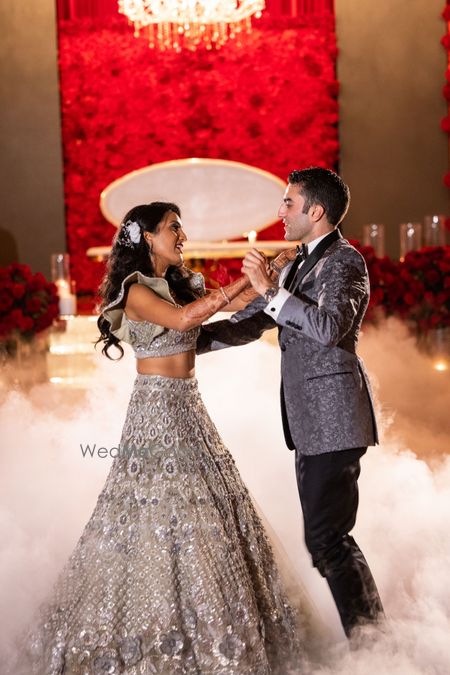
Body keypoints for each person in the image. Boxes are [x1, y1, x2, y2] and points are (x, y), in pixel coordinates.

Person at [16, 202, 302, 675]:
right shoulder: (133, 290)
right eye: (173, 227)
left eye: (181, 226)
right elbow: (189, 320)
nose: (182, 234)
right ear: (147, 236)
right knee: (155, 515)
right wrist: (249, 278)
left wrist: (272, 271)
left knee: (212, 512)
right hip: (154, 412)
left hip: (189, 407)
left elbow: (229, 304)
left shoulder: (183, 282)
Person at [196, 168, 385, 641]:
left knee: (327, 541)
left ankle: (375, 646)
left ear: (315, 212)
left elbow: (327, 328)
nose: (279, 213)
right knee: (326, 541)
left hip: (335, 420)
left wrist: (269, 288)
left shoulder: (344, 262)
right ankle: (374, 641)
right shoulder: (299, 262)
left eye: (288, 203)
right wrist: (179, 341)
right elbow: (247, 323)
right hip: (309, 424)